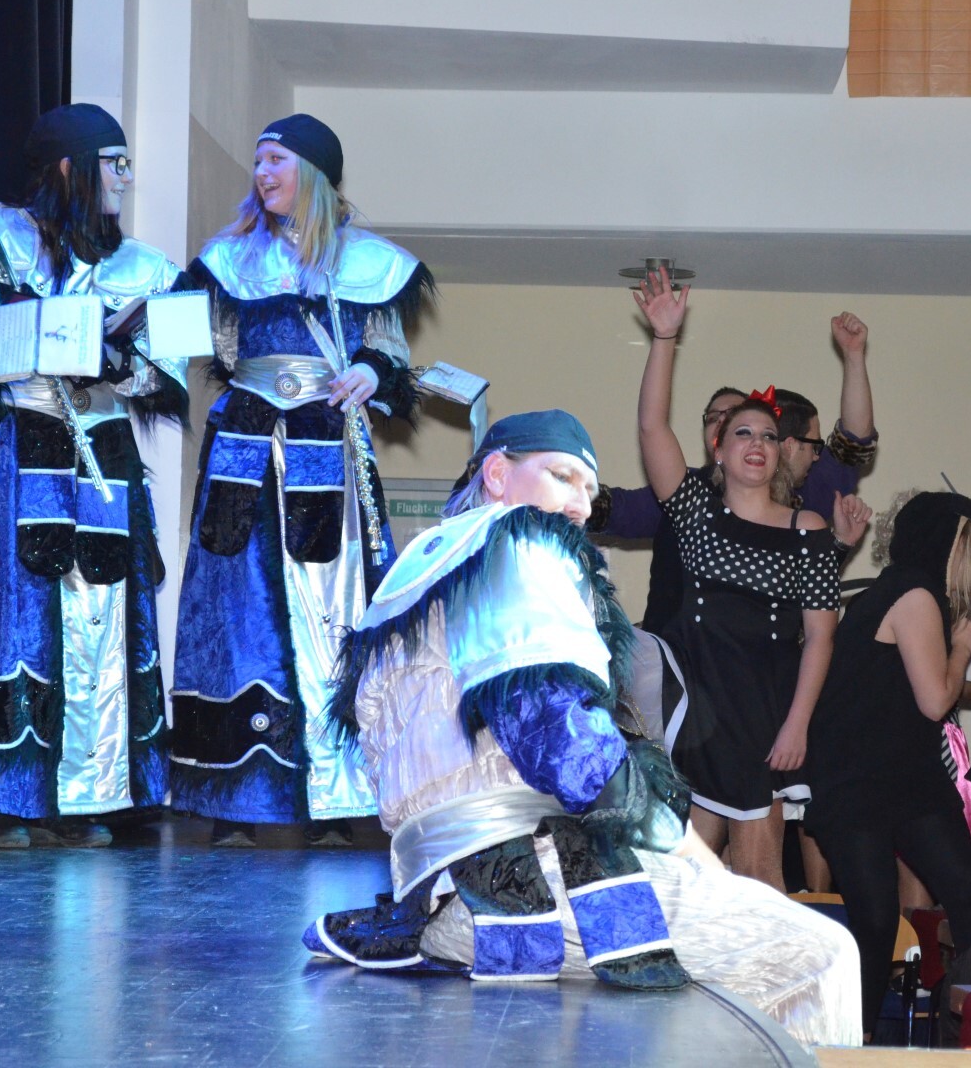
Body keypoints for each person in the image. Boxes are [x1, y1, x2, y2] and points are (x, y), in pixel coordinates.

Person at [304, 410, 862, 1049]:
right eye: (563, 477)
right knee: (822, 954)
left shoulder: (421, 568)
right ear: (497, 474)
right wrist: (676, 840)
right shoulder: (523, 543)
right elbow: (563, 742)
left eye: (591, 491)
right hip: (531, 880)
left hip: (442, 898)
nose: (579, 505)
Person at [0, 105, 186, 848]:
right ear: (70, 167)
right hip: (20, 443)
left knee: (102, 615)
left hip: (104, 454)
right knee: (10, 616)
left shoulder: (145, 268)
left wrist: (118, 363)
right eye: (114, 163)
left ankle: (83, 796)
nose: (125, 179)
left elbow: (168, 379)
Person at [168, 114, 432, 845]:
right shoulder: (229, 259)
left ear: (313, 173)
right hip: (245, 451)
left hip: (329, 448)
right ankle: (238, 794)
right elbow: (213, 350)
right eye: (257, 160)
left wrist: (369, 372)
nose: (262, 172)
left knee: (336, 607)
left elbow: (390, 357)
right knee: (235, 611)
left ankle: (340, 797)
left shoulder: (366, 262)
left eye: (276, 160)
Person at [634, 270, 842, 890]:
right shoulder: (695, 513)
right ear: (719, 449)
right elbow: (652, 429)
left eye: (769, 436)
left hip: (764, 716)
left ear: (780, 454)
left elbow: (820, 636)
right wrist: (664, 339)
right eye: (742, 433)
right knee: (685, 878)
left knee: (758, 878)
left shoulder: (807, 528)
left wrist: (797, 725)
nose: (757, 443)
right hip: (698, 710)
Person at [805, 491, 971, 1039]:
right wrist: (964, 646)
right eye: (970, 549)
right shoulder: (915, 594)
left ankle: (956, 1033)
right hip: (868, 783)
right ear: (951, 546)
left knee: (938, 910)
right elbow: (936, 701)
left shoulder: (889, 591)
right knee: (907, 915)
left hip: (894, 780)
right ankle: (867, 1044)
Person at [588, 311, 876, 636]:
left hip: (769, 662)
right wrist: (550, 487)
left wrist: (854, 355)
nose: (726, 423)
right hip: (679, 658)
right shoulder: (684, 495)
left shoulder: (801, 505)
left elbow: (853, 444)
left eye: (743, 420)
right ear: (716, 445)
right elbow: (612, 506)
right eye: (716, 418)